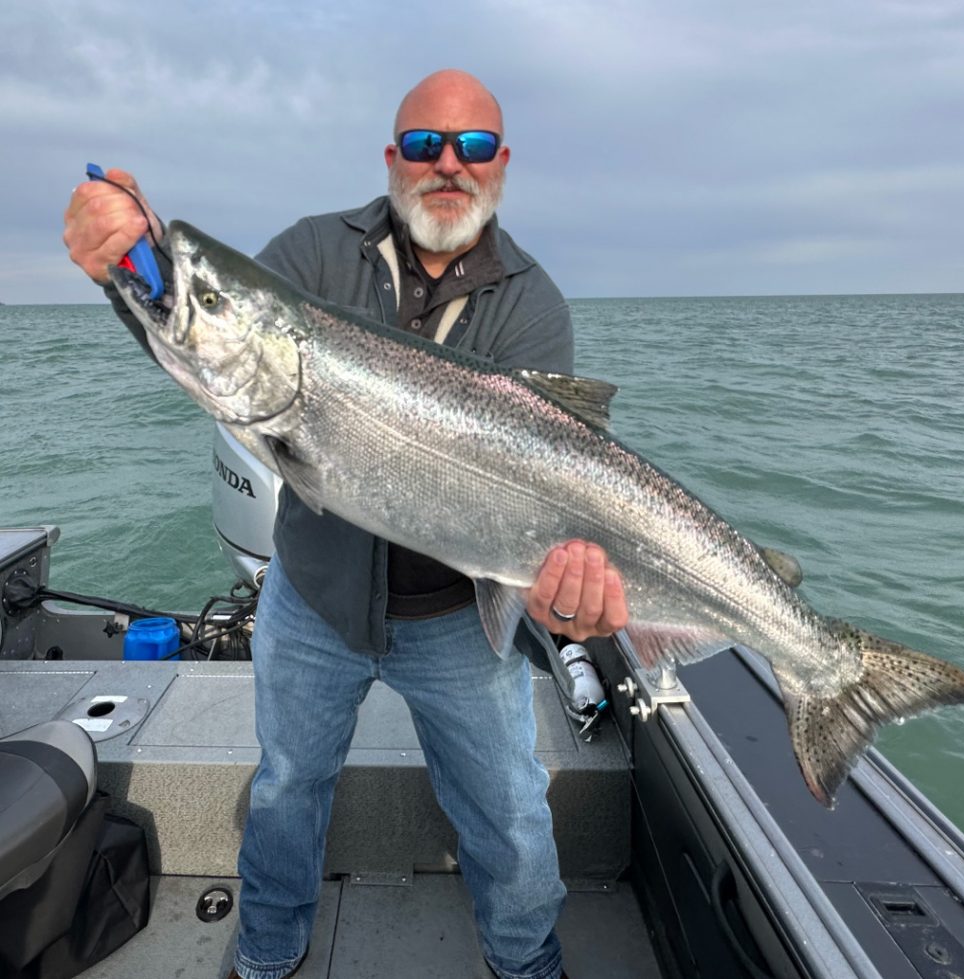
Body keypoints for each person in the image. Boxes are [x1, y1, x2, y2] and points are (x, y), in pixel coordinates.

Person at [63, 69, 628, 979]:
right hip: (313, 596)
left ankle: (527, 961)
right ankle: (266, 953)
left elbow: (547, 496)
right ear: (392, 156)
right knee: (287, 789)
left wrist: (569, 592)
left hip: (460, 614)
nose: (450, 163)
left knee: (512, 812)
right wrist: (134, 265)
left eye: (473, 147)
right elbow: (211, 333)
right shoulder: (315, 253)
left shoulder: (533, 304)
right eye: (426, 144)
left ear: (502, 163)